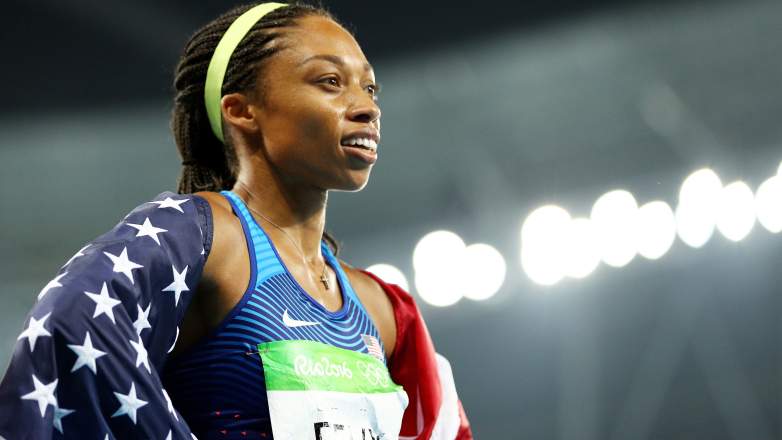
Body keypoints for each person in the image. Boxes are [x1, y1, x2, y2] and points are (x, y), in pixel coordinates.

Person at [0, 2, 472, 439]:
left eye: (369, 87)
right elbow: (73, 325)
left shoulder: (382, 308)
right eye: (329, 82)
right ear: (242, 111)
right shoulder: (203, 235)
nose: (368, 107)